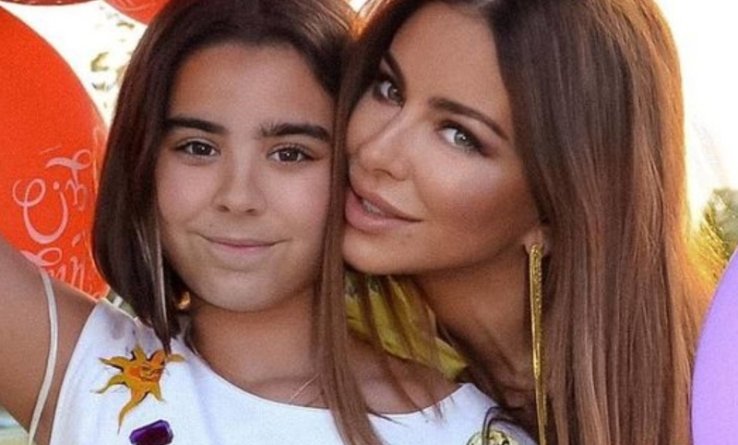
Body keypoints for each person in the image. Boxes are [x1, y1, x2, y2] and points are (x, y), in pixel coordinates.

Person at [0, 0, 510, 444]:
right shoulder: (84, 369)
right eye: (197, 148)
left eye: (290, 153)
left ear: (353, 166)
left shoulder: (467, 432)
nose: (238, 197)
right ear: (144, 162)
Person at [337, 0, 715, 444]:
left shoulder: (703, 396)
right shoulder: (317, 334)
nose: (375, 152)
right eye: (389, 89)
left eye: (459, 135)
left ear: (556, 212)